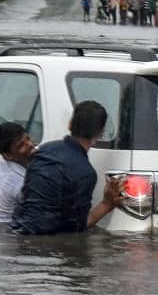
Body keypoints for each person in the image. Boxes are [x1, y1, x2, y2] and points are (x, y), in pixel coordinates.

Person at [11, 101, 126, 235]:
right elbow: (78, 226)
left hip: (17, 231)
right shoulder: (86, 173)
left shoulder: (43, 151)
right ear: (100, 133)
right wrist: (107, 204)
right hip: (46, 244)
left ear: (70, 124)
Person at [0, 122, 37, 225]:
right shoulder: (19, 182)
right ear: (8, 155)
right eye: (21, 145)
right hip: (4, 235)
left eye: (28, 139)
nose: (31, 145)